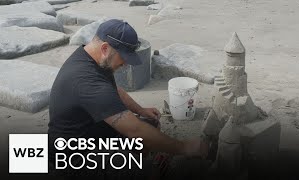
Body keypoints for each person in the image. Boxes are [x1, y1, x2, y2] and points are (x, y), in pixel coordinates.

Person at [48, 19, 208, 179]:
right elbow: (134, 129)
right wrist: (184, 147)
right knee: (146, 171)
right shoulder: (87, 81)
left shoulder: (91, 57)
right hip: (72, 160)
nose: (125, 64)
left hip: (93, 133)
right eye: (123, 57)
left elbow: (114, 90)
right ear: (105, 48)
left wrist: (140, 110)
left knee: (150, 125)